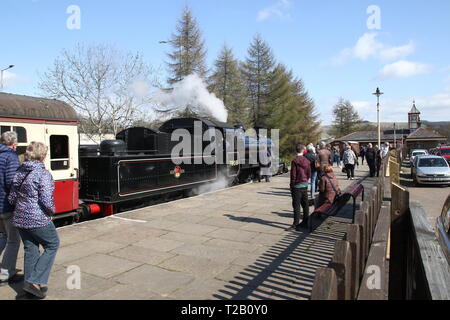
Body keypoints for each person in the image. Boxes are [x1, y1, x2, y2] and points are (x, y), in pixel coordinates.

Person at [8, 142, 59, 299]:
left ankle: (30, 288)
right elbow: (46, 200)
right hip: (38, 219)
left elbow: (12, 198)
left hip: (20, 219)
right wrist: (52, 211)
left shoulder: (19, 172)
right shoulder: (43, 174)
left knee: (30, 249)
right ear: (43, 155)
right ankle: (35, 280)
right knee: (52, 244)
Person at [0, 132, 21, 284]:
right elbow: (11, 182)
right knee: (13, 240)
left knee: (3, 236)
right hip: (6, 205)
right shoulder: (11, 157)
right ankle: (6, 274)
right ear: (14, 144)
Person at [289, 144, 311, 231]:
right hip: (304, 184)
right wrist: (306, 180)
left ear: (296, 150)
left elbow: (293, 175)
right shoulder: (307, 161)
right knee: (305, 204)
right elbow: (309, 173)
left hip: (296, 185)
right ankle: (305, 222)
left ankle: (296, 224)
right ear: (303, 150)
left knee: (296, 205)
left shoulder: (294, 161)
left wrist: (292, 185)